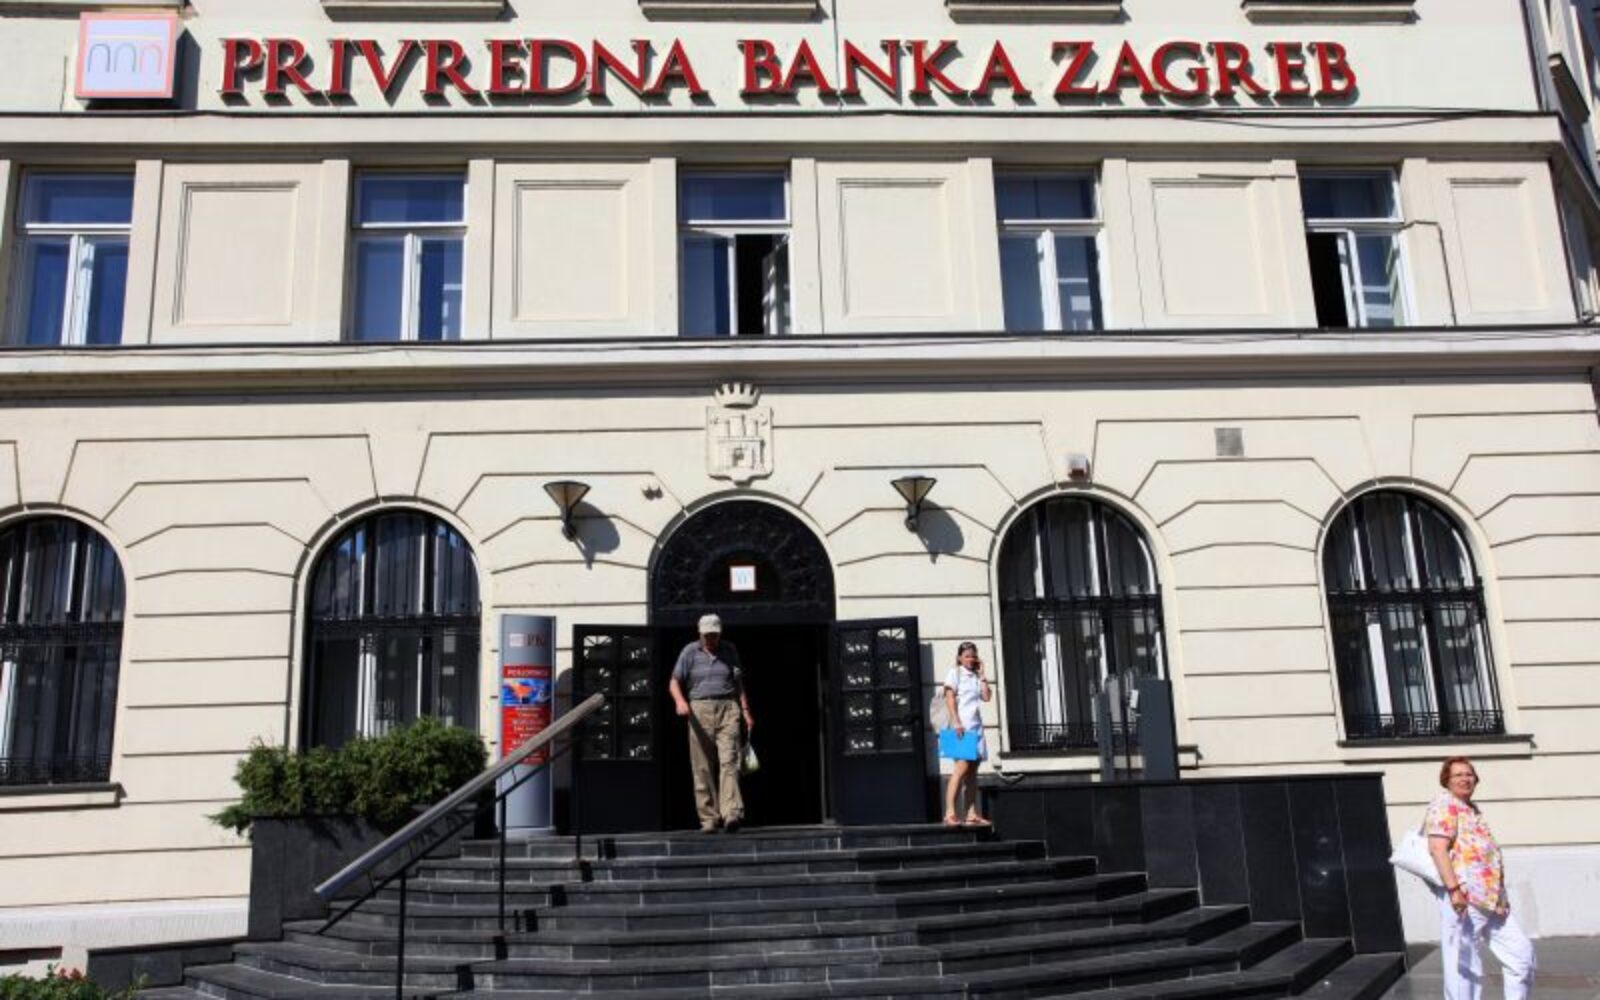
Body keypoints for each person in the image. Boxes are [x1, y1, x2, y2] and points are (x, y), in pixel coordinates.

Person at [1425, 756, 1536, 1000]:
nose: (1465, 779)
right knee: (1464, 968)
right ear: (1446, 780)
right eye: (1458, 775)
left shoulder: (1471, 809)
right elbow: (1437, 848)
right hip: (1464, 898)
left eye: (1469, 774)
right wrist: (1454, 890)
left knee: (1521, 956)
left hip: (1491, 901)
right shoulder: (1445, 805)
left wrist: (1501, 897)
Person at [668, 614, 754, 833]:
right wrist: (680, 701)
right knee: (702, 766)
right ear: (700, 633)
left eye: (714, 635)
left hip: (728, 707)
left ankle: (731, 814)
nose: (711, 639)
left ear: (720, 633)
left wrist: (745, 710)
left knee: (729, 761)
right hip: (699, 709)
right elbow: (674, 682)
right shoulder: (689, 652)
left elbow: (738, 683)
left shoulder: (730, 650)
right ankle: (708, 819)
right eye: (707, 635)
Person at [941, 641, 992, 828]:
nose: (971, 659)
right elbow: (949, 698)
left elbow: (986, 697)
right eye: (967, 656)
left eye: (973, 656)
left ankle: (971, 814)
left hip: (976, 728)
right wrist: (956, 721)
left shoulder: (976, 676)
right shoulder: (955, 673)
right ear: (959, 658)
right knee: (961, 769)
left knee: (972, 773)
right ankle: (950, 813)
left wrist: (983, 675)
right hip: (960, 727)